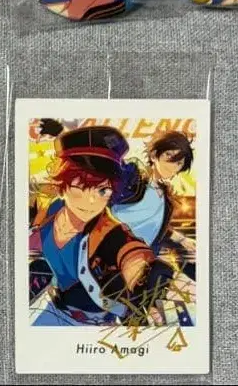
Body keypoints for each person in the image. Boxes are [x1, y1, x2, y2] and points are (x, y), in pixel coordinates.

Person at [29, 125, 174, 326]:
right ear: (62, 185)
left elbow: (130, 251)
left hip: (93, 325)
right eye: (80, 187)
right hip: (54, 309)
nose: (91, 201)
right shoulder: (52, 210)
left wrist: (144, 273)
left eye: (102, 191)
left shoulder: (109, 232)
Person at [113, 131, 196, 279]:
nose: (172, 165)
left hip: (141, 262)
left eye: (179, 163)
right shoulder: (134, 178)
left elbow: (155, 227)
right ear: (154, 155)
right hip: (113, 253)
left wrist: (182, 239)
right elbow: (114, 169)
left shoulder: (166, 199)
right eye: (168, 155)